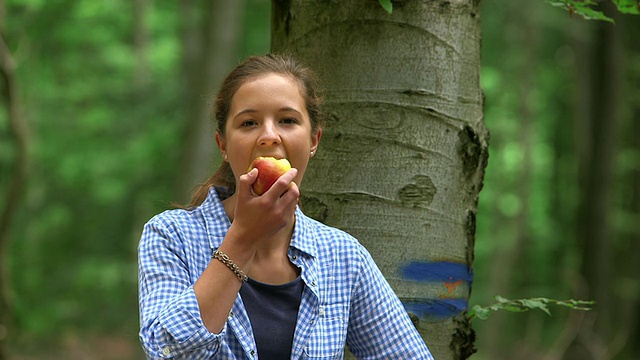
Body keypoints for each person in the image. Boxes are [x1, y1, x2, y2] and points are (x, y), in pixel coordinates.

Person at [137, 53, 434, 359]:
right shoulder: (170, 236)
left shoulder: (343, 257)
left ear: (314, 140)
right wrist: (243, 237)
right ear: (222, 144)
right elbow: (167, 352)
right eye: (249, 122)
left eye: (288, 120)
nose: (269, 136)